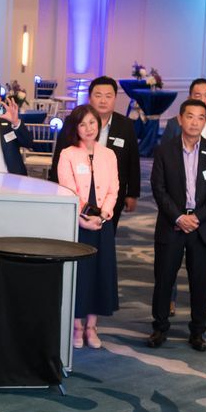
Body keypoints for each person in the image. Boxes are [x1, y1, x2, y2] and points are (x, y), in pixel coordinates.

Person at [148, 98, 206, 351]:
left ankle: (197, 332)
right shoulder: (164, 151)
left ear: (205, 121)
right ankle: (159, 328)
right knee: (164, 279)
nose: (194, 122)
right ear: (180, 119)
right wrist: (179, 217)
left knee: (200, 282)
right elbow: (158, 188)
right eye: (190, 116)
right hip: (172, 224)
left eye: (200, 117)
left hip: (202, 227)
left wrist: (197, 218)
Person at [55, 105, 119, 348]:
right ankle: (77, 327)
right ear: (76, 128)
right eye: (83, 124)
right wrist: (83, 218)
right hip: (78, 224)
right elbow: (68, 190)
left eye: (92, 123)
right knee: (80, 275)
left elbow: (114, 189)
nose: (89, 128)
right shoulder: (68, 154)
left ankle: (92, 327)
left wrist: (103, 215)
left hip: (102, 224)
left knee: (100, 274)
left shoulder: (108, 154)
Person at [51, 75, 139, 213]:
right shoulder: (72, 121)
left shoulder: (125, 125)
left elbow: (133, 161)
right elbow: (59, 157)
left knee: (107, 224)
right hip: (77, 193)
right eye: (98, 95)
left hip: (112, 195)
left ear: (115, 98)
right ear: (89, 97)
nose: (103, 101)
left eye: (108, 96)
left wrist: (132, 193)